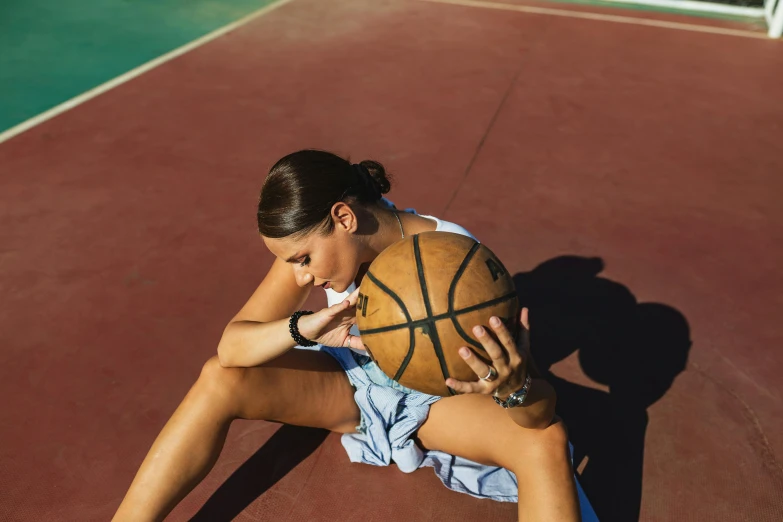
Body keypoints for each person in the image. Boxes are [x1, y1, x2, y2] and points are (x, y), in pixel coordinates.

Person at [113, 149, 586, 521]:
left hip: (433, 402)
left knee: (543, 443)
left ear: (344, 218)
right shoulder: (312, 249)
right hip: (354, 382)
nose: (299, 277)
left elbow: (539, 412)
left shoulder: (452, 268)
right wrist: (304, 327)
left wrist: (515, 385)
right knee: (219, 377)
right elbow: (231, 347)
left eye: (302, 259)